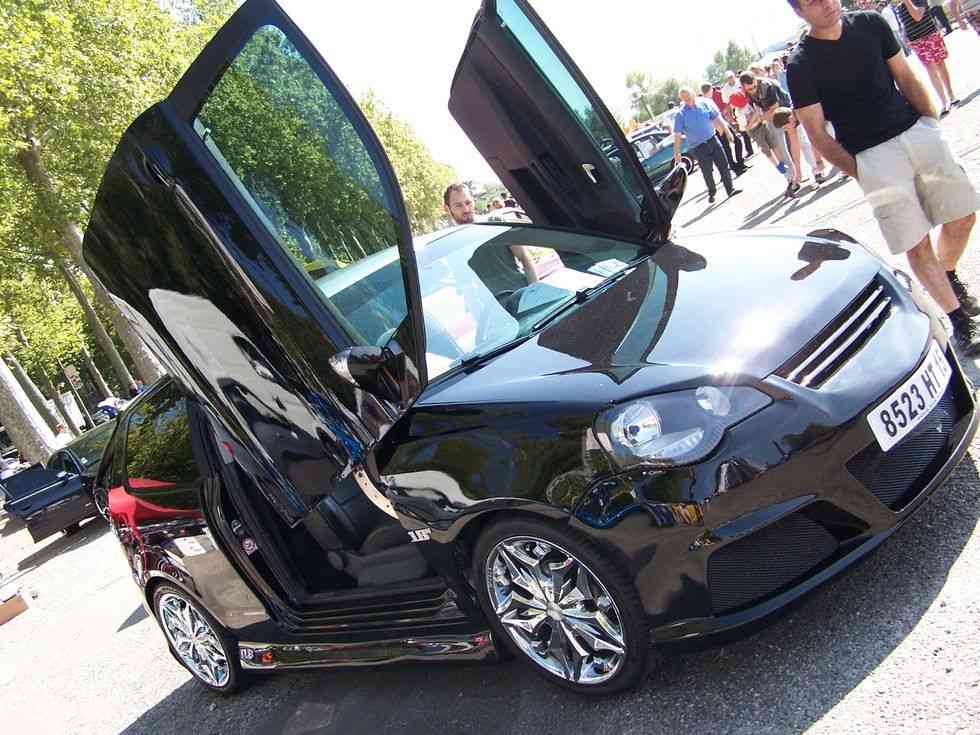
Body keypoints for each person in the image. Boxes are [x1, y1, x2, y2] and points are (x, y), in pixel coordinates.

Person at [786, 0, 980, 355]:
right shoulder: (801, 64)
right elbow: (816, 133)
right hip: (871, 156)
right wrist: (860, 171)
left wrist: (930, 122)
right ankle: (959, 321)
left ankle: (948, 275)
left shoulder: (870, 24)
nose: (826, 3)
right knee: (916, 242)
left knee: (963, 215)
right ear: (799, 12)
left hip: (916, 132)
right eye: (813, 1)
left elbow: (906, 77)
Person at [443, 183, 538, 284]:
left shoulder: (496, 222)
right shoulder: (452, 243)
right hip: (487, 295)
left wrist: (535, 288)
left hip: (522, 290)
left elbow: (524, 257)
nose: (466, 209)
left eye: (468, 202)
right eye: (458, 205)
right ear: (447, 208)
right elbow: (463, 282)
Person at [672, 87, 743, 204]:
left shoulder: (704, 105)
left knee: (723, 165)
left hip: (713, 140)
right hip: (699, 147)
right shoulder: (680, 114)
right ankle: (712, 191)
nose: (687, 98)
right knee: (707, 171)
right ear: (681, 99)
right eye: (683, 97)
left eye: (688, 95)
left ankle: (730, 189)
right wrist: (677, 153)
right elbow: (677, 135)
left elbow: (717, 118)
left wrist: (728, 132)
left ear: (693, 94)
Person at [741, 72, 801, 197]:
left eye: (754, 87)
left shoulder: (767, 86)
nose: (752, 90)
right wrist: (750, 124)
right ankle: (792, 180)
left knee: (801, 144)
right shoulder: (748, 92)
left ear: (756, 80)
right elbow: (758, 109)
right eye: (749, 89)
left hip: (786, 114)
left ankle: (813, 171)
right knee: (781, 150)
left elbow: (775, 109)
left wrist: (759, 119)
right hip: (772, 117)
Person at [894, 0, 959, 114]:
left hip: (931, 35)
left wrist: (907, 2)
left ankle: (951, 95)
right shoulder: (899, 7)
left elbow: (917, 16)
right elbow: (904, 24)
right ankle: (944, 102)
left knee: (940, 64)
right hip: (917, 41)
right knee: (930, 69)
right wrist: (905, 36)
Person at [773, 107, 831, 184]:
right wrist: (798, 172)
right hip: (813, 125)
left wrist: (819, 161)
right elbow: (795, 147)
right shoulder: (791, 123)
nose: (786, 130)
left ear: (790, 119)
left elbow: (814, 139)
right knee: (805, 146)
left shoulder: (803, 114)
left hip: (826, 121)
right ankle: (817, 171)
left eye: (785, 127)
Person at [701, 83, 749, 176]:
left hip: (721, 125)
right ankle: (736, 167)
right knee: (729, 147)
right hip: (718, 127)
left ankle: (739, 164)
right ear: (710, 89)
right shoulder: (706, 102)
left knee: (733, 144)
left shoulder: (705, 101)